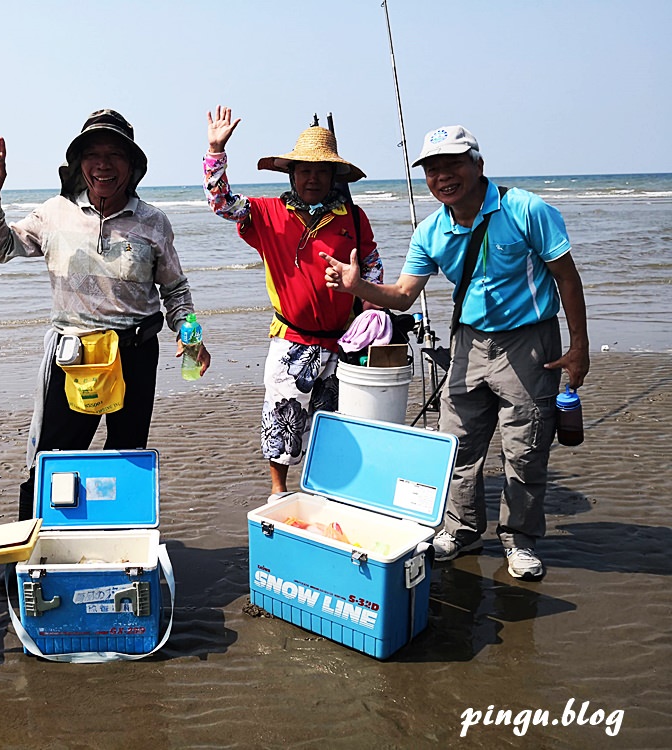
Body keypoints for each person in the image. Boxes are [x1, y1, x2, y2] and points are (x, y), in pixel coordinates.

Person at [322, 125, 589, 581]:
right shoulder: (430, 230)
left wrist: (579, 345)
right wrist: (357, 286)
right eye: (432, 169)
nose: (443, 176)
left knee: (524, 449)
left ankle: (519, 540)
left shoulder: (526, 209)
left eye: (453, 164)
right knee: (457, 442)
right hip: (468, 340)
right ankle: (462, 528)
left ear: (478, 165)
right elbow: (404, 295)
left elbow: (566, 276)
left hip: (529, 341)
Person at [0, 109, 211, 520]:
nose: (103, 164)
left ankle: (117, 539)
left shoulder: (153, 222)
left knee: (128, 455)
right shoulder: (54, 213)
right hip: (73, 357)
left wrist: (190, 335)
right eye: (92, 154)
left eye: (115, 154)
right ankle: (35, 549)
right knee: (55, 455)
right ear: (78, 164)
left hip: (135, 354)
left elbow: (175, 288)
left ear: (132, 167)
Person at [204, 105, 385, 497]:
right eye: (304, 170)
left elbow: (371, 264)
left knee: (334, 424)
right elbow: (222, 204)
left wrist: (371, 306)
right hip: (292, 340)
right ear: (291, 173)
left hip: (342, 342)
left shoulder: (353, 217)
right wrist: (216, 151)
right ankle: (278, 489)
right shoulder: (267, 212)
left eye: (321, 171)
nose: (312, 178)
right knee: (282, 417)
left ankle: (327, 489)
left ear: (335, 176)